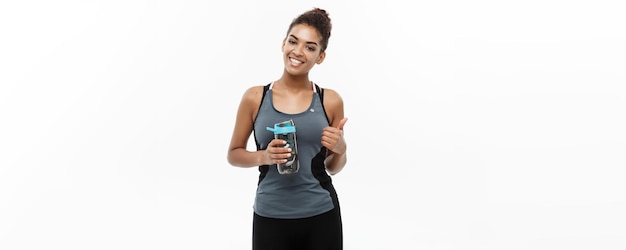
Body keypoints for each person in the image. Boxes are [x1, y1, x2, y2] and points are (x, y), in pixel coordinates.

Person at [227, 7, 348, 250]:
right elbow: (234, 154)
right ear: (283, 43)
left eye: (310, 47)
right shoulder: (255, 97)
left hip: (321, 214)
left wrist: (341, 149)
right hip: (270, 215)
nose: (298, 51)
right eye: (293, 41)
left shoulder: (330, 101)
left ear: (320, 57)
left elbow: (332, 168)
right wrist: (264, 156)